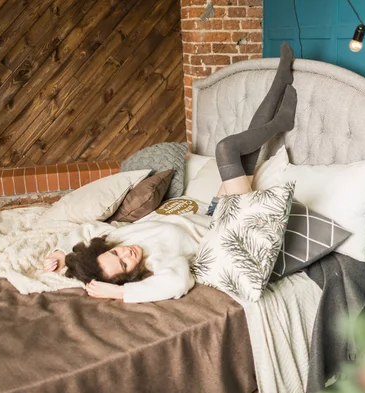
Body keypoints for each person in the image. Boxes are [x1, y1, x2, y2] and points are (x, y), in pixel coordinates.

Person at [44, 42, 297, 302]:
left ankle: (281, 80)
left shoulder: (118, 239)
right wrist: (121, 292)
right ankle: (281, 121)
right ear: (131, 277)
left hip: (213, 209)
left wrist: (63, 253)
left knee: (247, 155)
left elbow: (87, 230)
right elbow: (178, 283)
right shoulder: (157, 264)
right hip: (227, 226)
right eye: (123, 266)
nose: (126, 254)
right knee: (227, 149)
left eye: (115, 254)